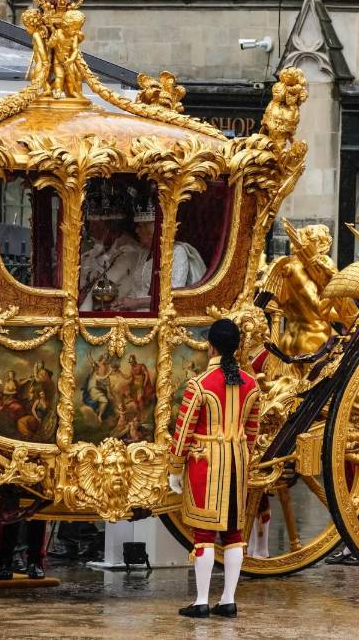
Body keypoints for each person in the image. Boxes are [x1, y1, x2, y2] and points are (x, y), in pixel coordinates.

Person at [169, 318, 261, 619]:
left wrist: (175, 467)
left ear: (211, 345)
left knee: (204, 534)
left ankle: (201, 600)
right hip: (237, 461)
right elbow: (252, 431)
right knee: (234, 534)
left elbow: (183, 432)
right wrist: (244, 460)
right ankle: (228, 599)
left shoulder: (200, 384)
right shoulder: (251, 384)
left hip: (205, 463)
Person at [115, 198, 205, 311]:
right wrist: (123, 303)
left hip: (160, 317)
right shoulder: (144, 252)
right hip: (136, 316)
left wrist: (137, 303)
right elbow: (136, 289)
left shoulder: (177, 252)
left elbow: (172, 295)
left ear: (151, 231)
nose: (136, 231)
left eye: (140, 227)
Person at [78, 189, 143, 311]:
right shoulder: (99, 249)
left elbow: (103, 289)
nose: (91, 229)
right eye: (90, 223)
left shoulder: (130, 252)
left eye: (96, 224)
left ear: (111, 225)